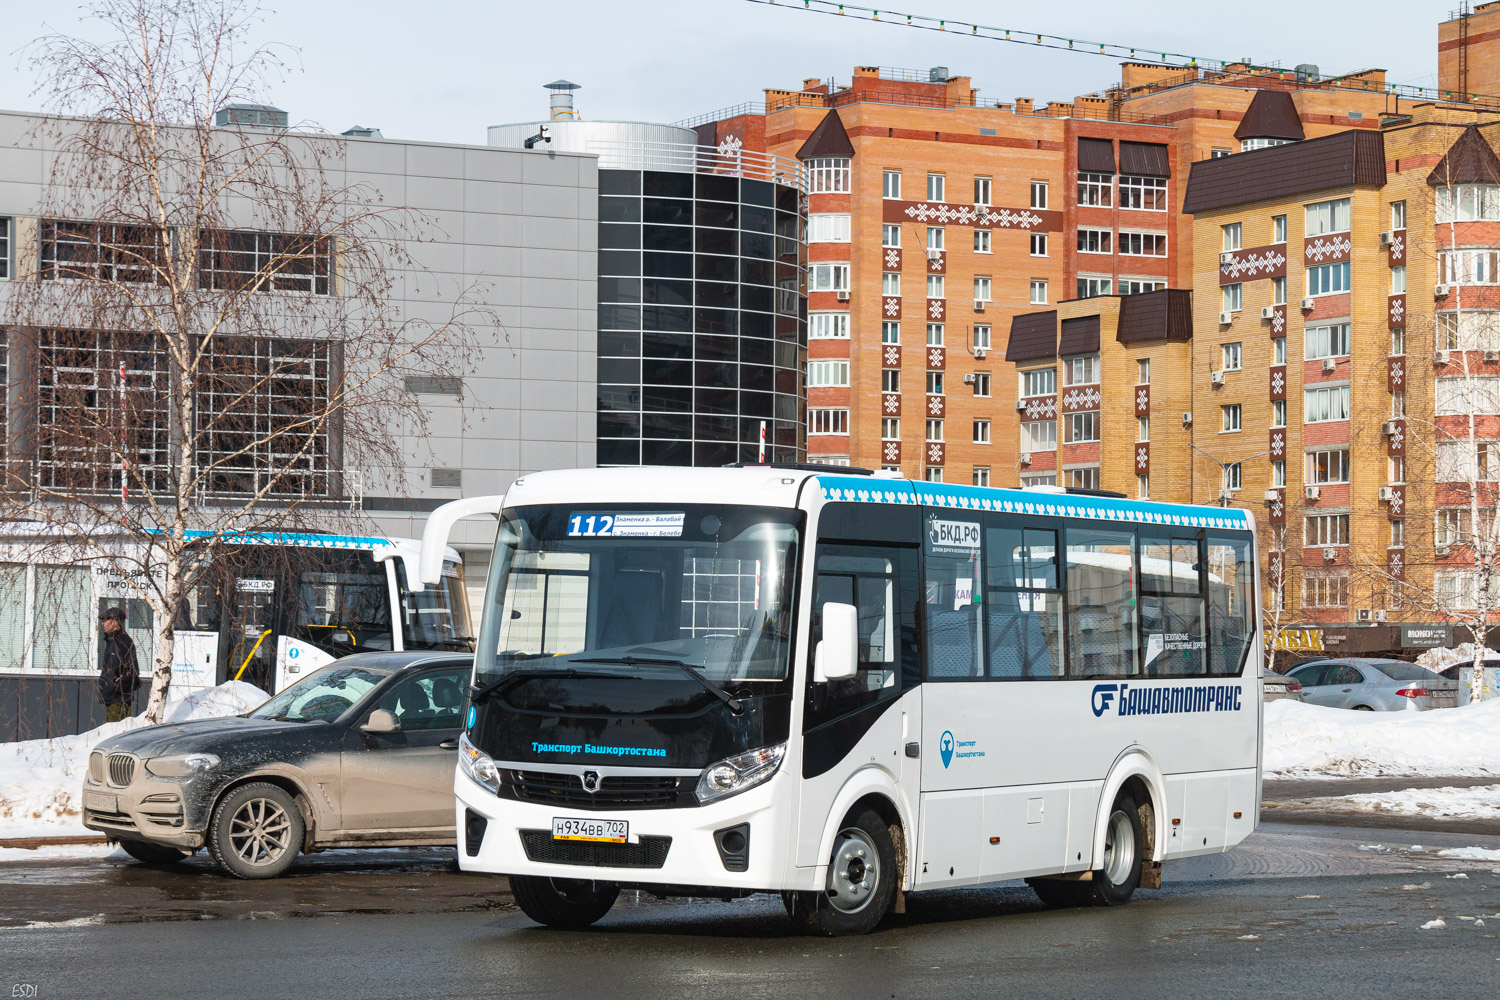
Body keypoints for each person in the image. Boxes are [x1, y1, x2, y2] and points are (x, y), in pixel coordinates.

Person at [98, 607, 141, 723]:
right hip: (111, 698)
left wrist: (116, 686)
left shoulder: (123, 642)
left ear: (115, 622)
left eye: (106, 620)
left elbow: (133, 673)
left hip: (119, 700)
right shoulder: (111, 642)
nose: (103, 623)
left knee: (116, 733)